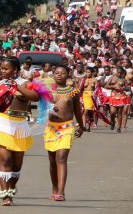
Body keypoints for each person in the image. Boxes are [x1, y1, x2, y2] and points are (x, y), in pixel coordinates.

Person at [0, 56, 43, 206]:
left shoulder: (26, 84)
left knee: (16, 165)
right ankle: (5, 196)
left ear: (15, 70)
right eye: (1, 68)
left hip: (20, 125)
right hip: (1, 124)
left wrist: (17, 87)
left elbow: (35, 97)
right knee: (6, 161)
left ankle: (10, 189)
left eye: (6, 69)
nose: (2, 71)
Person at [45, 65, 84, 202]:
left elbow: (78, 110)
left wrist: (82, 125)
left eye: (62, 73)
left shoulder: (73, 91)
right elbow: (40, 108)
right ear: (53, 74)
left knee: (61, 158)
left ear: (68, 74)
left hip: (66, 128)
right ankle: (54, 188)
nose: (59, 75)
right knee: (52, 161)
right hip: (51, 128)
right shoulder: (47, 91)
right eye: (56, 73)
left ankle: (61, 191)